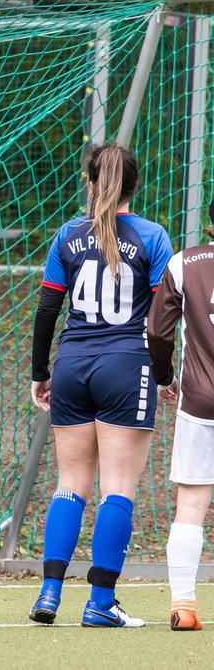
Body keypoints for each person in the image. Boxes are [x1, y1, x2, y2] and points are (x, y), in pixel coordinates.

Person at [27, 143, 172, 627]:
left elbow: (48, 309)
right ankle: (100, 603)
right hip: (127, 368)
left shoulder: (67, 236)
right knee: (118, 488)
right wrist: (166, 374)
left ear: (91, 183)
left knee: (69, 485)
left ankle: (49, 595)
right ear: (135, 184)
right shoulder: (152, 237)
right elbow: (161, 322)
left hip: (71, 365)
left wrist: (40, 373)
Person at [147, 198, 214, 631]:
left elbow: (156, 331)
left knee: (190, 503)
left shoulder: (184, 263)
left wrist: (165, 379)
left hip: (200, 401)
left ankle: (183, 607)